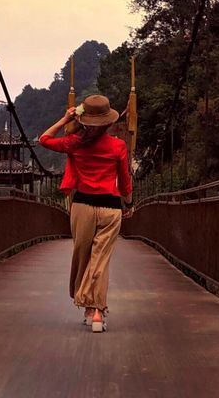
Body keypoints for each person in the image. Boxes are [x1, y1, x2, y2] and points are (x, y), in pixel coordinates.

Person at [39, 93, 134, 333]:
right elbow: (124, 180)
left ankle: (89, 306)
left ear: (84, 120)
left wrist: (63, 120)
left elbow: (44, 139)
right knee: (100, 259)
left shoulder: (73, 143)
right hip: (111, 208)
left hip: (81, 206)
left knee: (83, 255)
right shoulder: (118, 145)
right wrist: (129, 203)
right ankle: (98, 312)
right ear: (109, 122)